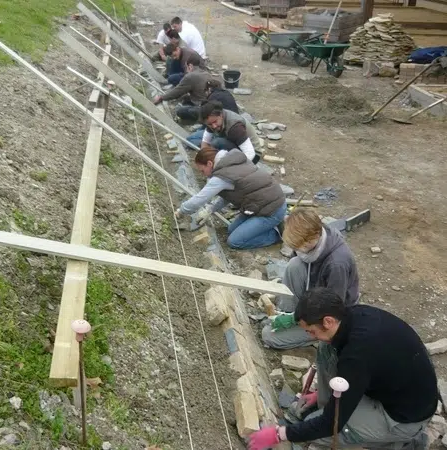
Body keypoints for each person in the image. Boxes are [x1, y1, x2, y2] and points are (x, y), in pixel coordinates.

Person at [248, 287, 438, 450]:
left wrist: (279, 434)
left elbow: (331, 425)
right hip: (388, 388)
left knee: (317, 432)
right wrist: (321, 396)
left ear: (328, 321)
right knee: (326, 348)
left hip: (403, 418)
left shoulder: (358, 355)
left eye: (312, 331)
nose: (311, 336)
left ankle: (401, 443)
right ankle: (327, 405)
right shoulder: (351, 315)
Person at [261, 209, 360, 350]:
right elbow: (297, 263)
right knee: (294, 264)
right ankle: (285, 313)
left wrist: (294, 319)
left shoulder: (337, 265)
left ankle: (319, 337)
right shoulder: (310, 242)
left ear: (313, 237)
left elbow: (333, 309)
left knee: (268, 335)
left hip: (331, 315)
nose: (298, 250)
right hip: (315, 294)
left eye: (301, 246)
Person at [175, 146, 286, 249]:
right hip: (261, 204)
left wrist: (181, 211)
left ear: (209, 164)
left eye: (202, 170)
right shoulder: (233, 161)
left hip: (272, 210)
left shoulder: (221, 177)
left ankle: (275, 235)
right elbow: (230, 195)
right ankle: (263, 227)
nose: (203, 174)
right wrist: (210, 209)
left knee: (234, 241)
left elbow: (199, 199)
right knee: (231, 230)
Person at [188, 101, 262, 163]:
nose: (213, 126)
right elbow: (205, 141)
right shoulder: (213, 120)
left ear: (221, 115)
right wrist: (204, 158)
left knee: (217, 142)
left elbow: (250, 153)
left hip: (253, 155)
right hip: (234, 142)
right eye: (210, 124)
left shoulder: (235, 127)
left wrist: (236, 168)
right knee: (192, 139)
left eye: (215, 122)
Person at [153, 54, 214, 123]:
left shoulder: (191, 76)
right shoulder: (207, 73)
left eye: (186, 67)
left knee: (179, 111)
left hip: (203, 107)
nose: (186, 70)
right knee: (185, 97)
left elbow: (176, 92)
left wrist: (161, 97)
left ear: (190, 66)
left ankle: (195, 120)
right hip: (210, 103)